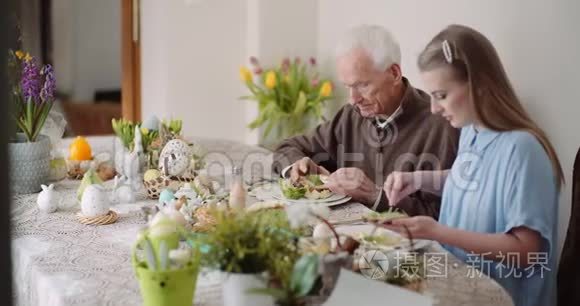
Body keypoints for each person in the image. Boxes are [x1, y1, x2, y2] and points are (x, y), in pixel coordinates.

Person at [382, 24, 564, 306]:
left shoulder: (523, 149)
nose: (433, 108)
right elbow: (473, 180)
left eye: (441, 95)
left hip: (498, 296)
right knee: (366, 268)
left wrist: (436, 232)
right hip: (454, 280)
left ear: (479, 85)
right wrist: (419, 179)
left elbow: (527, 251)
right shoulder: (472, 130)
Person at [273, 25, 459, 218]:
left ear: (394, 73)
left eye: (362, 85)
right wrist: (298, 168)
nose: (353, 99)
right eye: (348, 86)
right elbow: (287, 147)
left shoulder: (441, 124)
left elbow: (440, 218)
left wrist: (375, 195)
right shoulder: (351, 115)